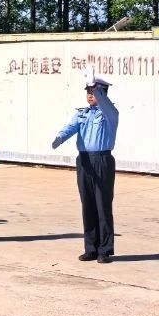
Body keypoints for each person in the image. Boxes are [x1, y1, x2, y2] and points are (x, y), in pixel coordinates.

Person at [52, 70, 121, 263]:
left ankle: (104, 250)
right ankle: (91, 248)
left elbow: (106, 105)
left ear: (103, 93)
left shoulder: (110, 114)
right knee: (88, 205)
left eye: (94, 91)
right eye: (88, 92)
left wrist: (96, 89)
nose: (90, 95)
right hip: (84, 161)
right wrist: (60, 137)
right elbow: (71, 127)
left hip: (102, 160)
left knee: (102, 205)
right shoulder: (82, 113)